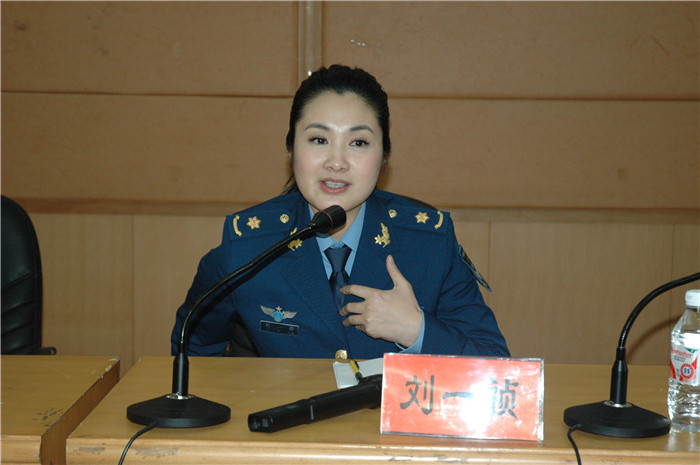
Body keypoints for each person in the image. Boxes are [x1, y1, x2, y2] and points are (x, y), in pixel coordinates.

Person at [171, 64, 509, 360]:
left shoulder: (430, 244)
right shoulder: (248, 245)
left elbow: (495, 364)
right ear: (291, 147)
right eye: (319, 140)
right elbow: (193, 348)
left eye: (358, 143)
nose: (336, 162)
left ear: (384, 155)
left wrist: (416, 330)